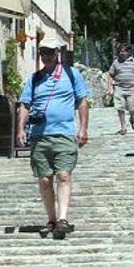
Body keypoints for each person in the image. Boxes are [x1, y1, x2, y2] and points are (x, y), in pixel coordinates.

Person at [16, 44, 89, 238]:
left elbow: (82, 102)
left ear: (57, 54)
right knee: (44, 179)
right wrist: (20, 129)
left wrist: (83, 128)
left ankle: (63, 219)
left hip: (64, 133)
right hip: (39, 136)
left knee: (63, 175)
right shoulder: (35, 78)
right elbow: (25, 105)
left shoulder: (72, 74)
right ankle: (52, 219)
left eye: (50, 53)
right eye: (43, 53)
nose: (46, 57)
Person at [106, 44, 134, 136]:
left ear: (129, 52)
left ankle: (132, 118)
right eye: (120, 51)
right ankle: (123, 127)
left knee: (132, 107)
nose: (121, 53)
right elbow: (110, 75)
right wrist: (109, 88)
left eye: (123, 51)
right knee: (120, 107)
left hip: (131, 88)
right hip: (119, 87)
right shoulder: (116, 62)